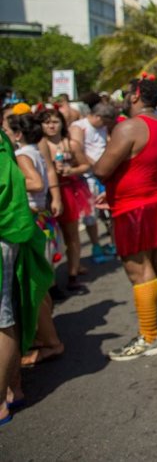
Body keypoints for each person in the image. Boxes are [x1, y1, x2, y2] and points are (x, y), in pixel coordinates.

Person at [93, 76, 157, 360]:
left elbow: (102, 169)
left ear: (135, 95)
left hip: (134, 209)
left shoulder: (130, 127)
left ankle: (149, 337)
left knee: (139, 269)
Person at [0, 128, 55, 427]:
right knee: (10, 307)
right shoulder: (9, 144)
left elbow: (23, 184)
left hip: (8, 232)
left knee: (4, 315)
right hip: (14, 231)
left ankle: (3, 398)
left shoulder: (9, 149)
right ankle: (13, 386)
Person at [4, 113, 64, 369]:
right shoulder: (35, 151)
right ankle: (44, 336)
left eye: (7, 130)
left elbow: (36, 183)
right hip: (41, 220)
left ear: (18, 134)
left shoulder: (21, 156)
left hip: (32, 222)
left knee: (35, 289)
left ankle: (51, 341)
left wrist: (13, 183)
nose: (4, 134)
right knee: (41, 284)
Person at [39, 108, 92, 293]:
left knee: (72, 236)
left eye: (55, 121)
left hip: (69, 192)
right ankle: (51, 282)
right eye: (47, 122)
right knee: (50, 239)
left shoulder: (71, 144)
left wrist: (72, 171)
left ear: (62, 123)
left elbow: (85, 164)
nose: (51, 126)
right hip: (46, 196)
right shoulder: (39, 145)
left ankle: (73, 275)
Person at [70, 102, 119, 257]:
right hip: (89, 178)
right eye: (104, 121)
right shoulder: (79, 127)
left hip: (106, 175)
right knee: (90, 214)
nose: (105, 125)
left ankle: (115, 243)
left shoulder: (104, 127)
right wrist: (97, 165)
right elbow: (78, 151)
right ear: (97, 116)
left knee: (112, 212)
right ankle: (96, 246)